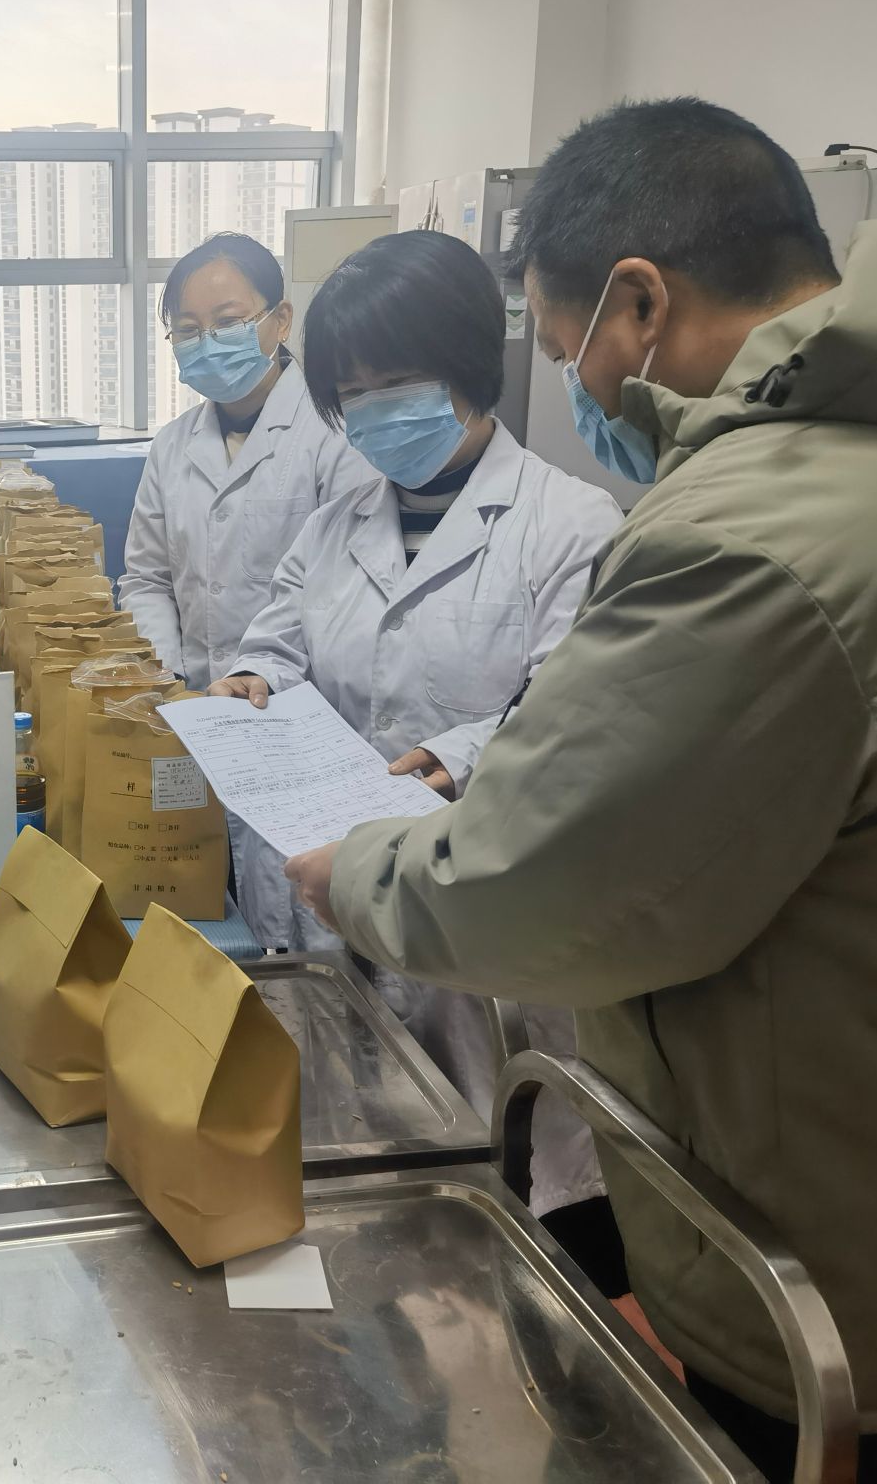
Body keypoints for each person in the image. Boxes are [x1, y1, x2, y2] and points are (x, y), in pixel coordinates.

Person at [284, 98, 877, 1483]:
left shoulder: (769, 534)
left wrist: (352, 868)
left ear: (640, 303)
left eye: (564, 347)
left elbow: (548, 888)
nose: (582, 391)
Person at [211, 229, 625, 1281]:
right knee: (367, 1202)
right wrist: (250, 677)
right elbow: (277, 638)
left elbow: (572, 709)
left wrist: (455, 754)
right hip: (333, 884)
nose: (374, 413)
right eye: (351, 394)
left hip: (475, 913)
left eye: (396, 383)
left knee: (502, 1228)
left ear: (467, 366)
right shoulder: (337, 519)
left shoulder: (571, 526)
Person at [120, 232, 375, 691]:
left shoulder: (337, 435)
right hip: (191, 697)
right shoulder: (171, 445)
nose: (209, 342)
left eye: (228, 322)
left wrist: (265, 673)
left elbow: (346, 588)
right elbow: (147, 580)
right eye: (189, 330)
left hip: (299, 696)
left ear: (281, 320)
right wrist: (167, 674)